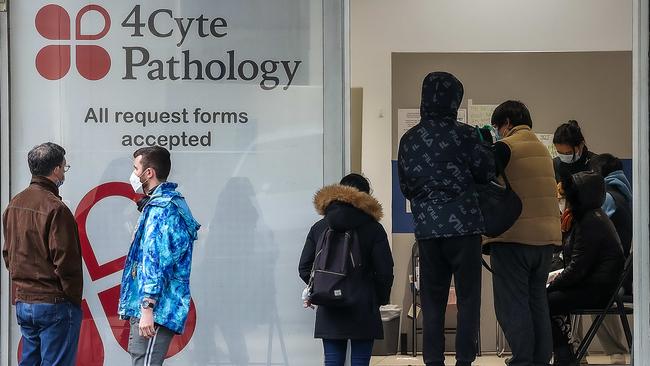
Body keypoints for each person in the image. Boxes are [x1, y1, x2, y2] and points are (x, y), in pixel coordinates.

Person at [397, 71, 494, 366]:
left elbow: (405, 186)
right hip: (464, 230)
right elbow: (486, 172)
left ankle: (433, 361)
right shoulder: (465, 135)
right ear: (455, 100)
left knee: (432, 302)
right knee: (467, 302)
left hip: (427, 232)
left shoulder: (409, 139)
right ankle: (464, 360)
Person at [484, 101, 562, 366]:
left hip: (513, 239)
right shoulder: (542, 149)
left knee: (512, 305)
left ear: (506, 123)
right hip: (545, 242)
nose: (497, 132)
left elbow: (482, 177)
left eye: (497, 127)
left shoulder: (506, 147)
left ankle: (522, 361)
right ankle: (540, 360)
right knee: (537, 303)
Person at [298, 173, 394, 366]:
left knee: (332, 361)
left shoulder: (319, 227)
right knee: (360, 362)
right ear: (365, 197)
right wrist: (379, 298)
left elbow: (304, 267)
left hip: (329, 304)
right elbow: (385, 271)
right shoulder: (373, 228)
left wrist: (323, 288)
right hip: (363, 305)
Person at [118, 146, 201, 366]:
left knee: (144, 361)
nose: (133, 174)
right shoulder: (162, 205)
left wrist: (147, 307)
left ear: (149, 173)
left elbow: (155, 260)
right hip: (155, 305)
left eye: (136, 168)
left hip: (157, 307)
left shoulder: (161, 209)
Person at [2, 142, 83, 366]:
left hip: (25, 301)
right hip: (54, 302)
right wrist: (72, 299)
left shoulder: (14, 204)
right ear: (56, 170)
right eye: (64, 167)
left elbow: (9, 254)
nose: (64, 171)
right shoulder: (56, 208)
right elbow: (66, 262)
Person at [547, 171, 625, 365]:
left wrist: (554, 284)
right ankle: (565, 353)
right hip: (599, 284)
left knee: (546, 300)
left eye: (564, 196)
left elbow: (577, 268)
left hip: (596, 289)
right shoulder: (592, 216)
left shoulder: (588, 222)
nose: (561, 201)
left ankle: (564, 355)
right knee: (548, 297)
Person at [588, 154, 632, 362]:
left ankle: (572, 348)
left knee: (572, 288)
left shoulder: (606, 197)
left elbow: (591, 230)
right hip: (621, 271)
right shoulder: (624, 192)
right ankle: (615, 351)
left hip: (609, 273)